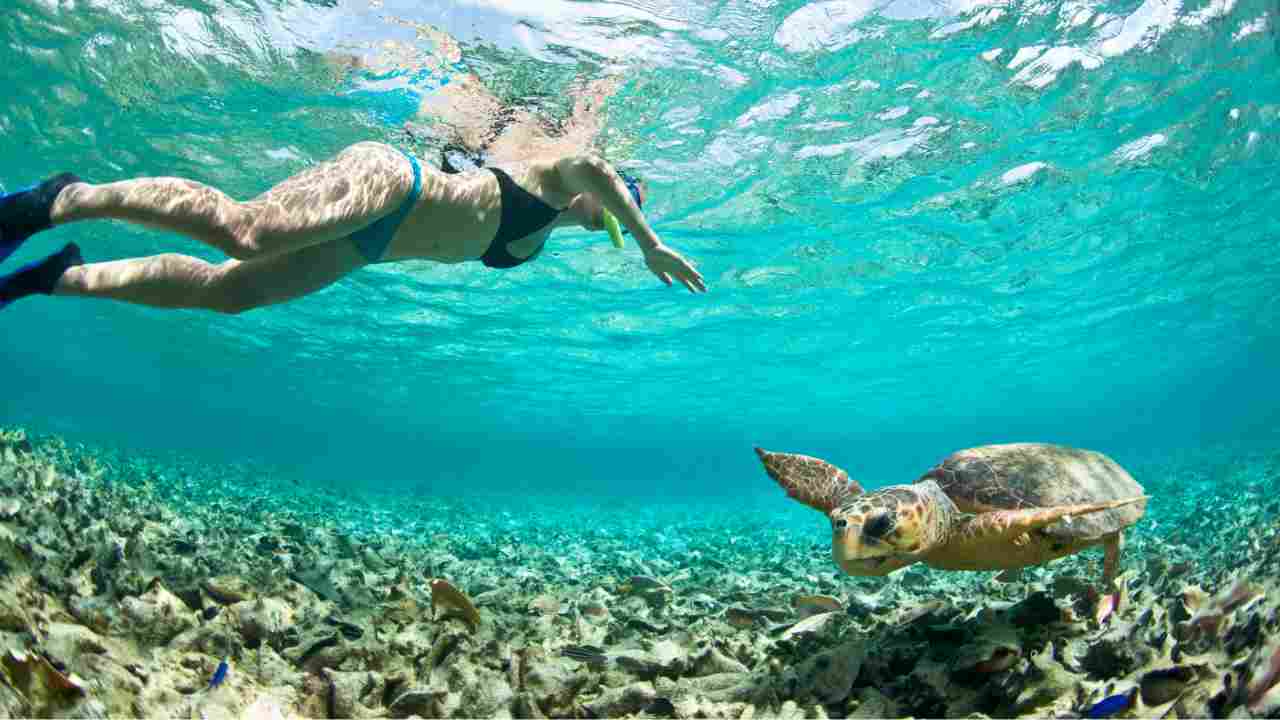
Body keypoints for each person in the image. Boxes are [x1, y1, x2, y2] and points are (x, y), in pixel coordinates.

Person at [0, 72, 705, 314]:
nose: (619, 206)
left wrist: (622, 220)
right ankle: (60, 197)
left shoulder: (545, 237)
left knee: (229, 292)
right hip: (390, 183)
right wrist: (650, 242)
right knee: (245, 231)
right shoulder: (557, 173)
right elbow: (593, 167)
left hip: (365, 249)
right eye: (628, 194)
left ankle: (58, 278)